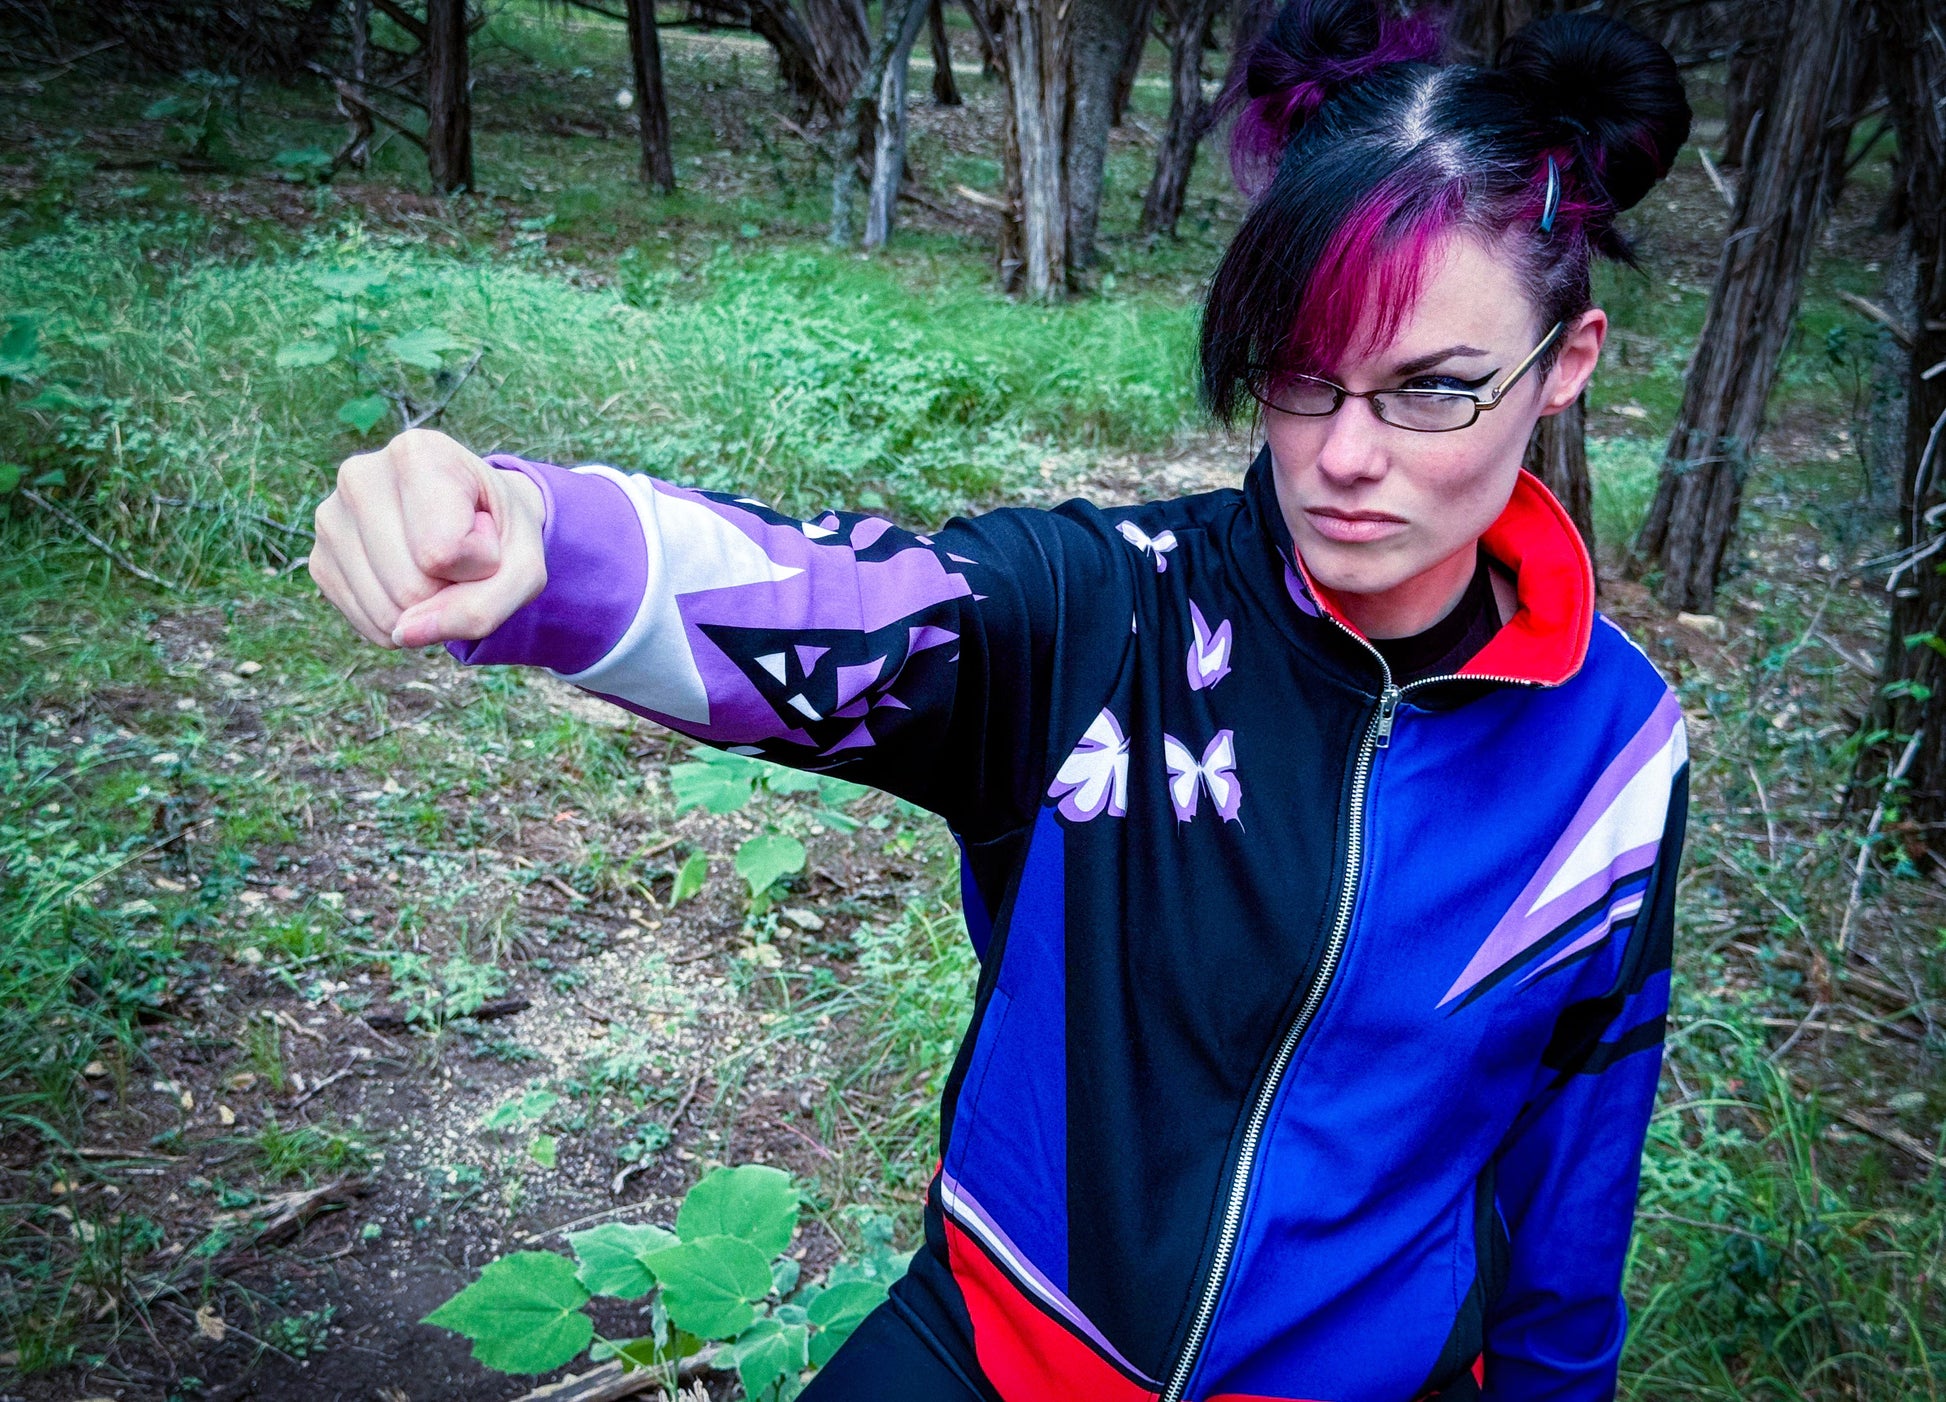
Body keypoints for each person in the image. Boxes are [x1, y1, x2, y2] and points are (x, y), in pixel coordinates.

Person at [309, 1, 1692, 1396]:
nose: (1339, 455)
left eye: (1429, 392)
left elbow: (1576, 1166)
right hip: (993, 1348)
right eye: (1297, 375)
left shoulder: (1611, 758)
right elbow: (840, 600)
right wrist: (539, 543)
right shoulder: (1115, 615)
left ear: (1562, 367)